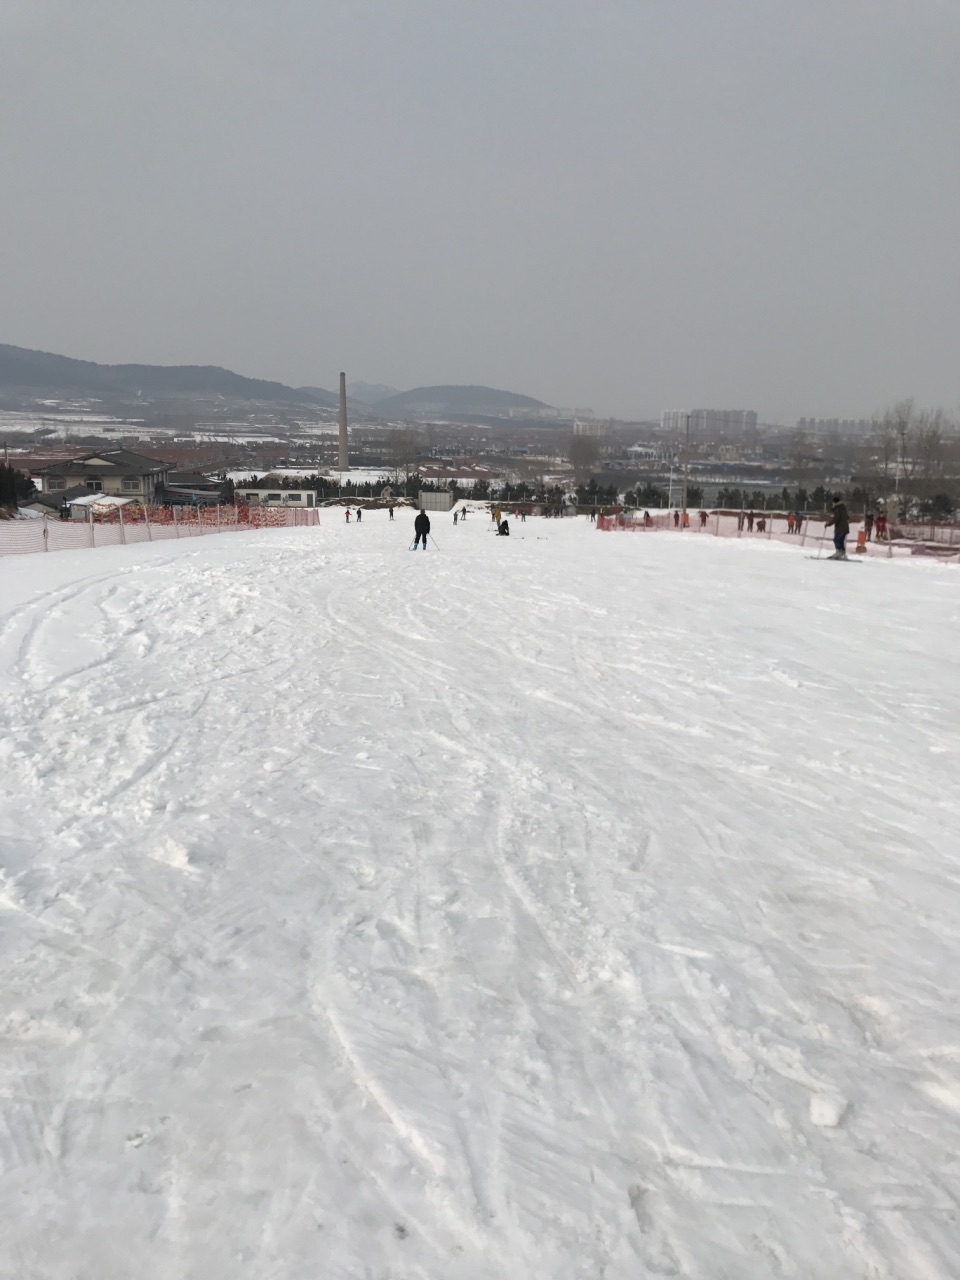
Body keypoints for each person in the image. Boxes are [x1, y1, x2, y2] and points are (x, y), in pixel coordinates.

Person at [824, 493, 850, 559]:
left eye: (833, 503)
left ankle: (839, 552)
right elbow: (847, 517)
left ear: (835, 503)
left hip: (840, 528)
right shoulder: (843, 508)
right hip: (845, 528)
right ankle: (842, 553)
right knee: (840, 540)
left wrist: (828, 524)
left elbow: (836, 518)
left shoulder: (837, 509)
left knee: (836, 539)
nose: (832, 504)